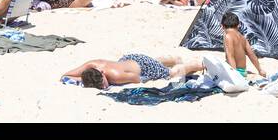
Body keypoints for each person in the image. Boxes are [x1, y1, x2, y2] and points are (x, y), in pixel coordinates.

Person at [63, 54, 205, 89]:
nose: (104, 86)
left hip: (142, 67)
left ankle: (196, 65)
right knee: (154, 62)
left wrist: (114, 84)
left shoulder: (116, 77)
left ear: (103, 74)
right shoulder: (92, 64)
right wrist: (82, 80)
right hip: (128, 58)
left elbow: (137, 79)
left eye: (103, 83)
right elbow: (65, 76)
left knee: (170, 74)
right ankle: (171, 58)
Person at [221, 11, 265, 78]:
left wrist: (234, 75)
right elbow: (251, 54)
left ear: (222, 26)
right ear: (238, 25)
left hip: (235, 71)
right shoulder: (242, 37)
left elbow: (230, 56)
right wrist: (260, 70)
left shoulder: (227, 36)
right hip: (243, 71)